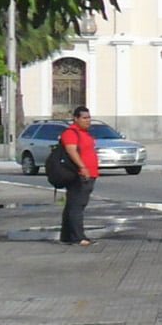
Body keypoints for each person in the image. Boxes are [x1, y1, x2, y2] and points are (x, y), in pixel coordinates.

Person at [57, 105, 99, 245]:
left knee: (72, 205)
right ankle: (78, 237)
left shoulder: (85, 133)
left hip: (90, 173)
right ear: (76, 119)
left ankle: (67, 236)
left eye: (89, 118)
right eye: (84, 118)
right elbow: (71, 151)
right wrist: (83, 167)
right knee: (77, 206)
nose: (88, 121)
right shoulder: (71, 133)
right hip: (79, 174)